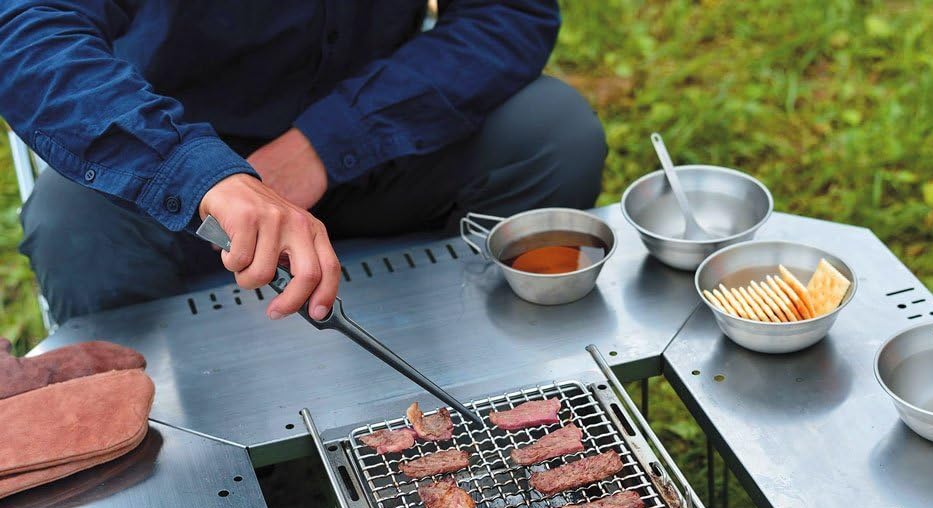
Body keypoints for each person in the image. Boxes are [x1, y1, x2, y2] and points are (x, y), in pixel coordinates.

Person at [0, 1, 606, 325]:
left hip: (381, 134)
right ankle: (163, 443)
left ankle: (484, 366)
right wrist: (200, 172)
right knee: (73, 224)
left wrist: (323, 144)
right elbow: (27, 26)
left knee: (553, 132)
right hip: (186, 178)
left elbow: (507, 13)